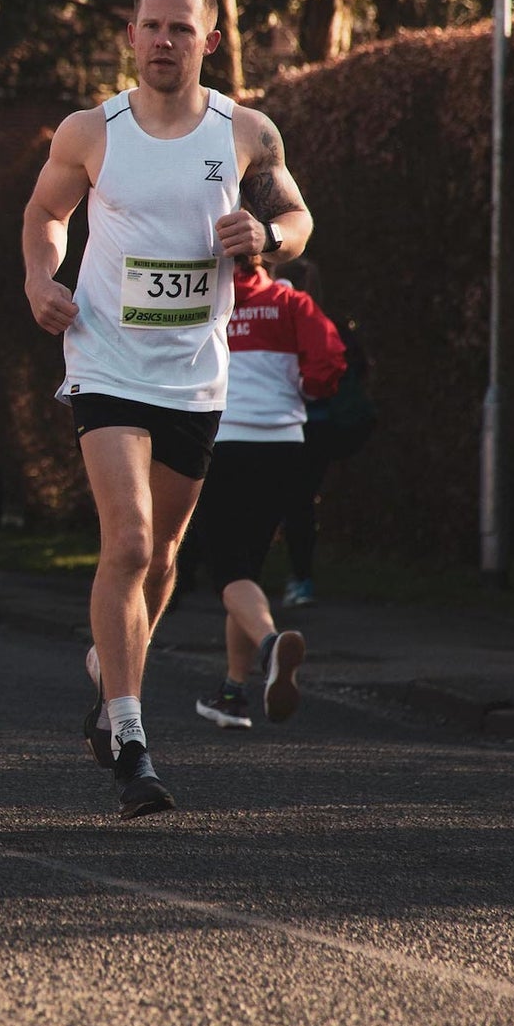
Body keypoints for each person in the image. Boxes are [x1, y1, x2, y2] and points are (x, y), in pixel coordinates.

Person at [22, 0, 314, 818]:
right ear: (129, 35)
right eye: (150, 25)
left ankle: (106, 668)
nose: (162, 40)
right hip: (106, 363)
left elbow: (297, 218)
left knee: (160, 562)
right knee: (129, 541)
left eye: (180, 28)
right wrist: (40, 278)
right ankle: (129, 738)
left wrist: (265, 232)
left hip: (193, 375)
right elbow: (44, 214)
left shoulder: (245, 132)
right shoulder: (91, 131)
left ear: (209, 40)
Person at [191, 252, 346, 730]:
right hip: (284, 446)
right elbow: (329, 362)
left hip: (223, 441)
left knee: (228, 573)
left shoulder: (206, 296)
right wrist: (307, 389)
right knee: (247, 573)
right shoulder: (292, 302)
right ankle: (233, 693)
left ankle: (270, 644)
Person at [272, 256, 377, 608]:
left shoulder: (279, 321)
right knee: (300, 501)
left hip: (289, 424)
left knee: (283, 500)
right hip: (323, 426)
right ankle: (301, 578)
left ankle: (248, 575)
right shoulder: (333, 325)